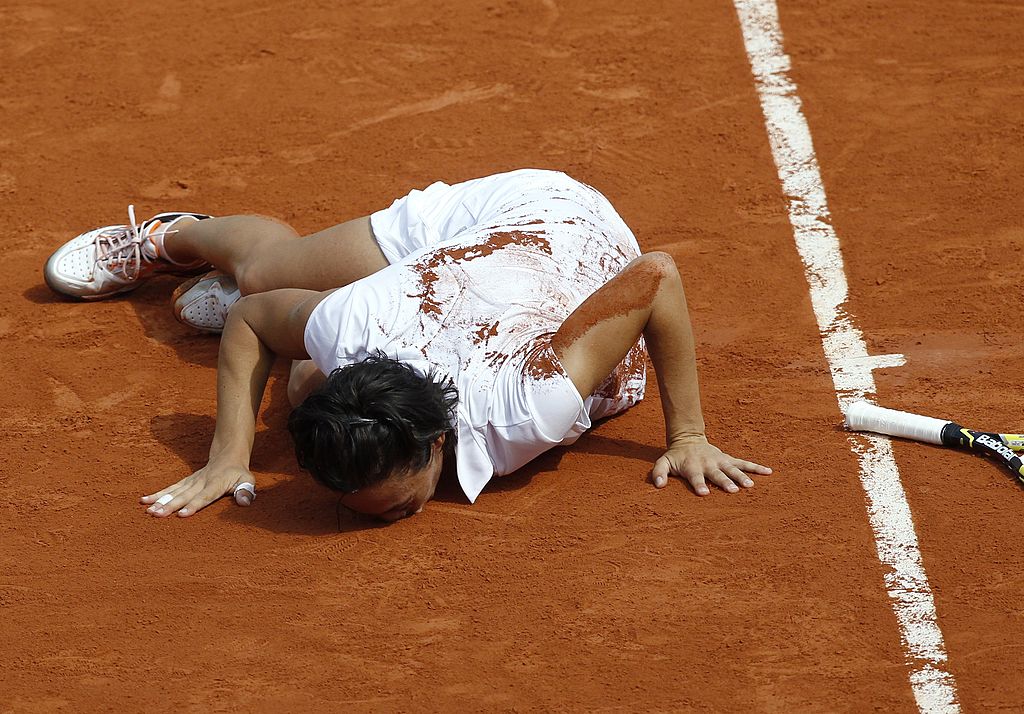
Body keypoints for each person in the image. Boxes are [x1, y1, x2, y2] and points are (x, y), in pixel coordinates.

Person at [44, 169, 771, 521]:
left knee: (282, 332)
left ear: (434, 440)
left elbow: (655, 275)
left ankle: (189, 252)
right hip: (465, 257)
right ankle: (183, 248)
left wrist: (691, 435)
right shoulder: (356, 323)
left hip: (548, 220)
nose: (392, 515)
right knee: (265, 291)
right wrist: (229, 453)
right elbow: (255, 317)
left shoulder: (528, 406)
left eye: (396, 503)